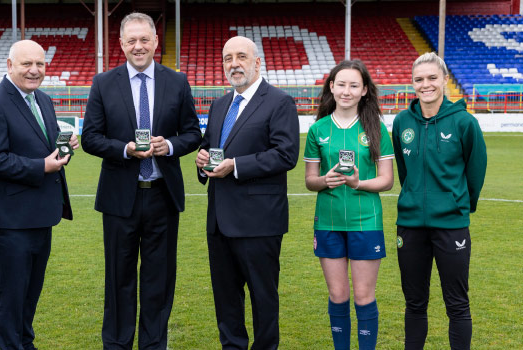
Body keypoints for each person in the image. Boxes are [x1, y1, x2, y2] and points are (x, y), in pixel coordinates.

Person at [81, 12, 201, 350]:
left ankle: (153, 344)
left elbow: (193, 133)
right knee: (118, 278)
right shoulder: (103, 83)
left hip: (163, 195)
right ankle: (117, 344)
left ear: (155, 42)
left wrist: (171, 145)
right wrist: (124, 149)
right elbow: (90, 137)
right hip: (120, 197)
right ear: (120, 44)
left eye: (144, 39)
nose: (138, 46)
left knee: (158, 279)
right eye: (131, 40)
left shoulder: (176, 82)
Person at [194, 36, 299, 350]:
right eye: (227, 58)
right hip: (220, 220)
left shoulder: (279, 101)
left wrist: (235, 165)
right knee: (226, 298)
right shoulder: (220, 104)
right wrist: (202, 161)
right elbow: (210, 147)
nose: (233, 64)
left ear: (257, 62)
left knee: (263, 297)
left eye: (241, 57)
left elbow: (285, 154)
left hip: (259, 221)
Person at [0, 39, 77, 350]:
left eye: (40, 64)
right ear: (9, 66)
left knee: (31, 291)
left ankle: (25, 343)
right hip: (10, 219)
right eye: (26, 64)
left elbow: (44, 150)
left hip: (41, 214)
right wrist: (42, 165)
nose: (34, 70)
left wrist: (63, 149)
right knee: (12, 294)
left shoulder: (43, 99)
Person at [392, 52, 486, 350]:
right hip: (409, 225)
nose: (426, 85)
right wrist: (415, 200)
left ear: (445, 79)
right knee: (414, 303)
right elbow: (404, 172)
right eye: (419, 79)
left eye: (432, 78)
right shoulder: (402, 121)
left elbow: (475, 172)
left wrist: (457, 205)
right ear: (412, 83)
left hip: (451, 226)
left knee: (457, 304)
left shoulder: (464, 122)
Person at [303, 60, 394, 350]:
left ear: (364, 90)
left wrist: (358, 184)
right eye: (341, 84)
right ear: (331, 87)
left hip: (366, 221)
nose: (346, 91)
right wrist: (324, 180)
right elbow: (310, 180)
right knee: (338, 294)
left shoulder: (377, 128)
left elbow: (387, 180)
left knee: (364, 296)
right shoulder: (318, 129)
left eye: (354, 85)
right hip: (328, 223)